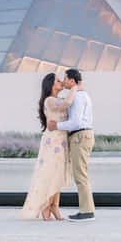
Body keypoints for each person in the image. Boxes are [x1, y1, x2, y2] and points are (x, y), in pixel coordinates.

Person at [20, 73, 77, 220]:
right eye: (58, 81)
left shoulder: (58, 99)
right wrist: (74, 88)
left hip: (62, 141)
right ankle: (46, 207)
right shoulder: (50, 101)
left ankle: (54, 207)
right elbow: (66, 105)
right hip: (53, 142)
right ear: (51, 85)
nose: (60, 83)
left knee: (59, 175)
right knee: (51, 174)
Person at [47, 68, 95, 222]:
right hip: (82, 136)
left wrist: (57, 126)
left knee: (80, 175)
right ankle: (87, 210)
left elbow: (75, 122)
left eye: (65, 79)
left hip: (80, 136)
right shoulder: (79, 94)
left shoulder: (79, 97)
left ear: (73, 81)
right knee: (81, 174)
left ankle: (87, 212)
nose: (63, 81)